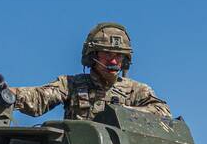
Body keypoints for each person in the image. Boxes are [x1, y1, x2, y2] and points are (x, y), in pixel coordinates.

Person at [10, 22, 171, 121]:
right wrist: (8, 94)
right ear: (92, 55)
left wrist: (122, 113)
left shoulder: (137, 91)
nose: (114, 61)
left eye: (119, 56)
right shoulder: (71, 84)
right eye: (107, 54)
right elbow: (39, 98)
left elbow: (163, 113)